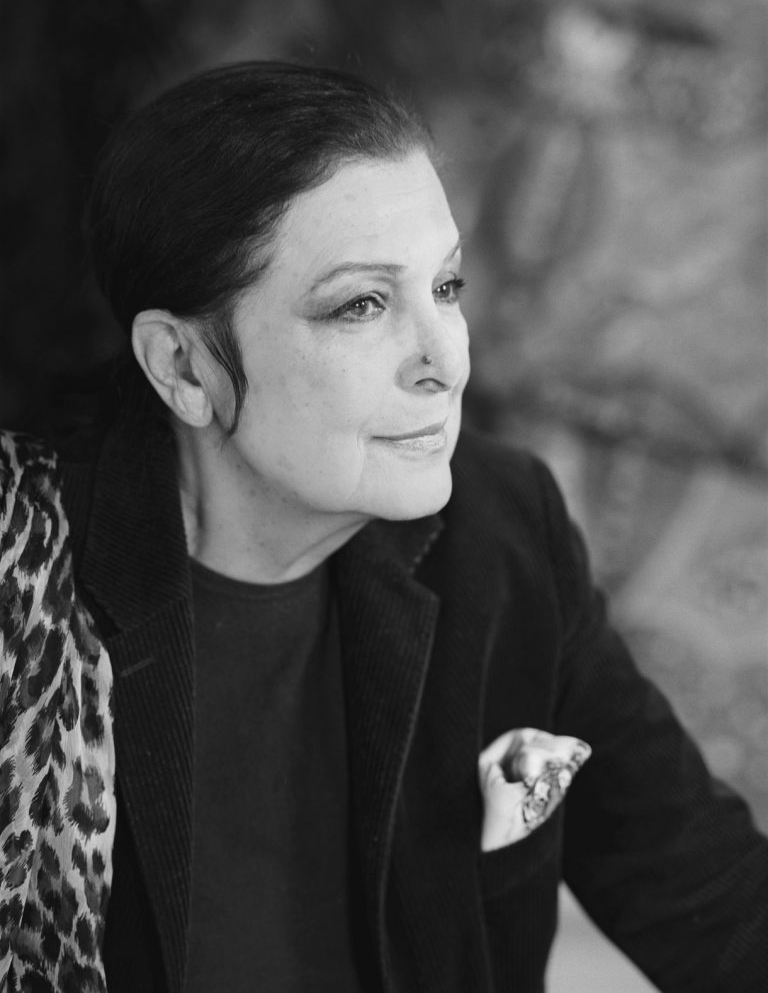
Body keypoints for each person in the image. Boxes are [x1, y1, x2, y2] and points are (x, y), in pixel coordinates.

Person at [0, 60, 766, 993]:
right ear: (184, 368)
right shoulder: (24, 585)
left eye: (447, 288)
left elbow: (707, 888)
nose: (445, 361)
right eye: (361, 305)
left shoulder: (502, 530)